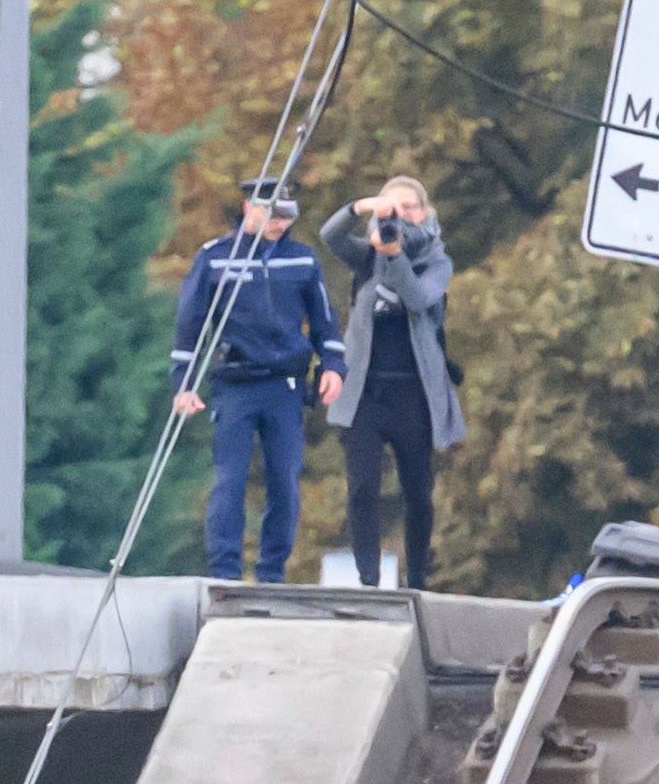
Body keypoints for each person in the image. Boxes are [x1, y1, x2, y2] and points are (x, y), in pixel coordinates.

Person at [168, 175, 348, 582]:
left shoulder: (301, 260)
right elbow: (190, 326)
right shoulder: (214, 258)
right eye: (272, 214)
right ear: (249, 208)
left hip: (285, 386)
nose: (279, 223)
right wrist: (183, 383)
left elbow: (324, 322)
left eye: (286, 216)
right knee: (229, 479)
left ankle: (271, 573)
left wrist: (333, 366)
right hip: (235, 386)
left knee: (284, 481)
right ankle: (225, 572)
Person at [336, 173, 467, 590]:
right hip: (365, 394)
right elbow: (330, 235)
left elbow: (415, 298)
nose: (401, 216)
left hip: (412, 393)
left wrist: (394, 257)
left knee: (417, 492)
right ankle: (368, 579)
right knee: (361, 490)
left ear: (425, 212)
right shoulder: (365, 255)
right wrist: (360, 209)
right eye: (392, 208)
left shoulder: (436, 259)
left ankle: (418, 578)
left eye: (409, 207)